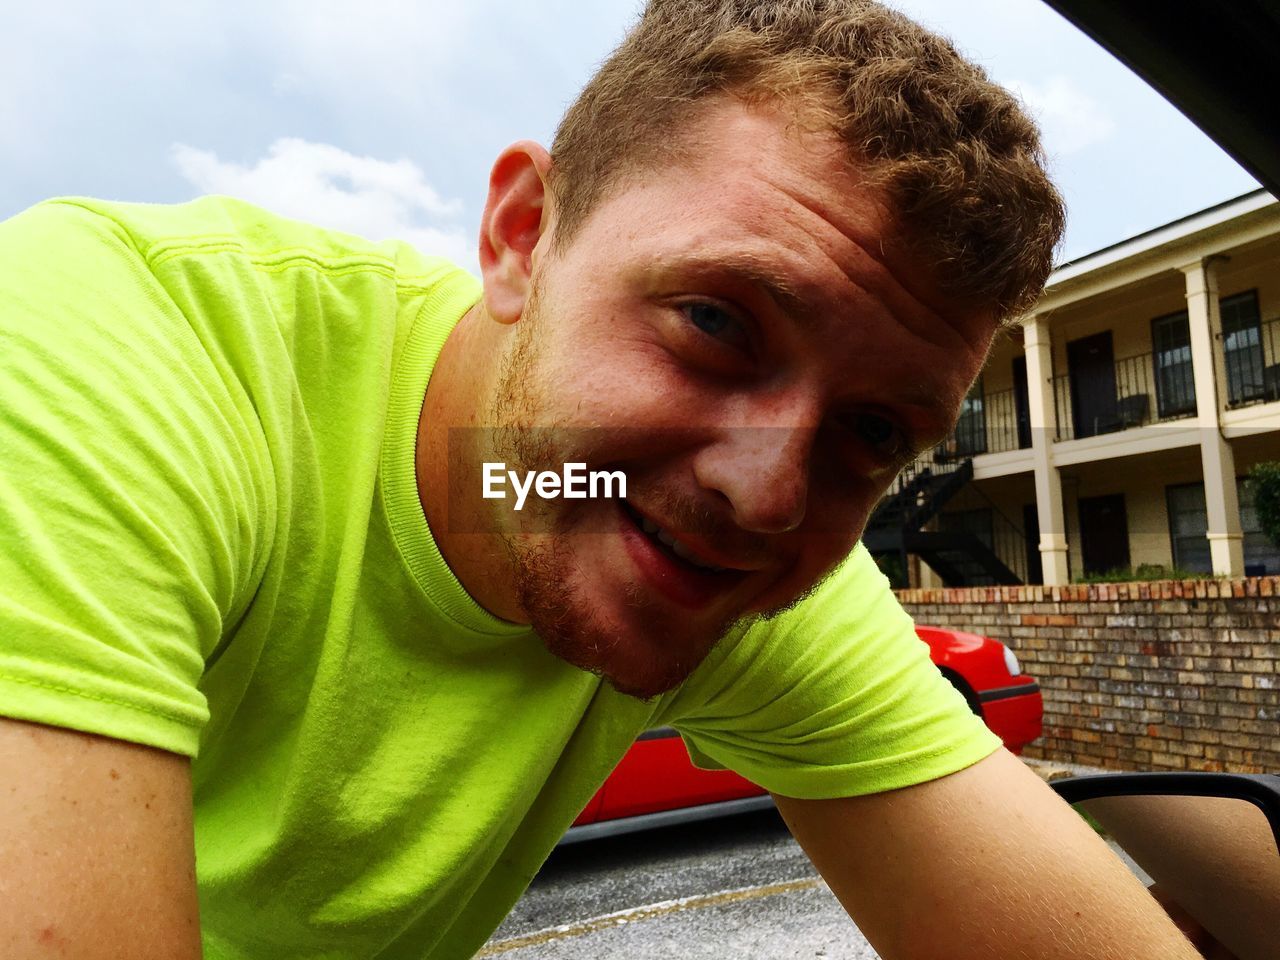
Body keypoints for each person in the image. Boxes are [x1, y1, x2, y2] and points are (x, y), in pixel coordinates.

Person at [0, 1, 1206, 958]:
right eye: (713, 323)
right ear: (521, 236)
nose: (766, 491)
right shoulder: (123, 347)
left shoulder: (699, 552)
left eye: (876, 433)